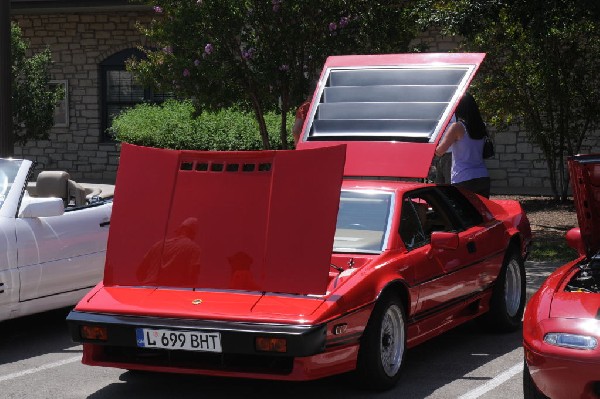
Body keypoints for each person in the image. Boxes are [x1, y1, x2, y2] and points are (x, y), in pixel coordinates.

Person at [435, 92, 490, 198]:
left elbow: (440, 151)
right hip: (482, 176)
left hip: (463, 178)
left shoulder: (457, 127)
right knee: (479, 213)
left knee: (460, 213)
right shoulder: (481, 126)